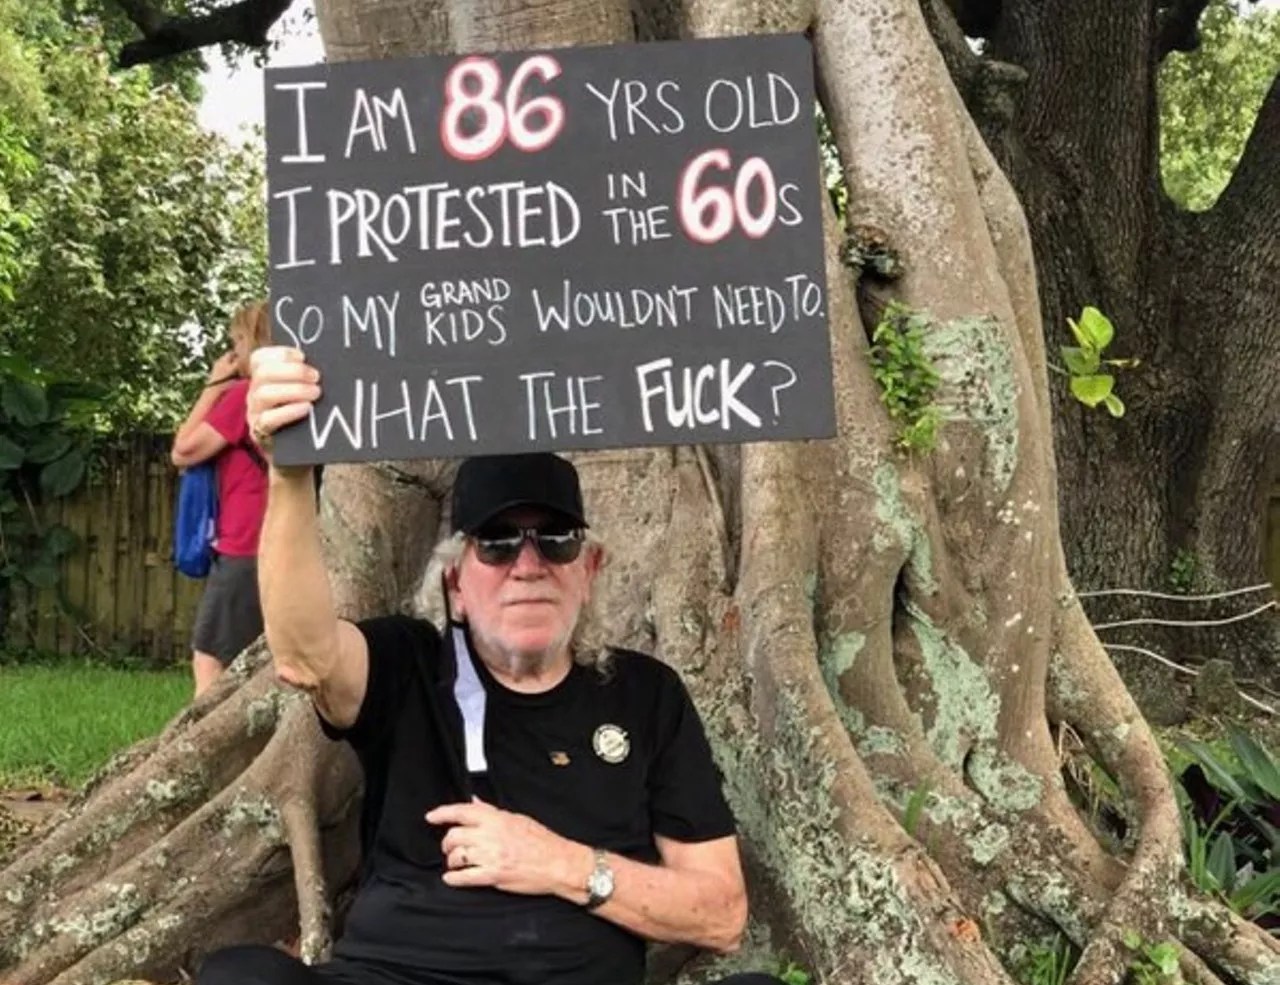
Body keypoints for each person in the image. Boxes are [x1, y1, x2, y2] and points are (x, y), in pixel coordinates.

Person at [195, 344, 783, 985]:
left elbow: (721, 915)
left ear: (589, 569)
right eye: (498, 544)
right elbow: (304, 654)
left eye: (556, 541)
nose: (528, 566)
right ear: (454, 582)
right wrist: (288, 474)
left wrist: (558, 863)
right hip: (395, 978)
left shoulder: (645, 694)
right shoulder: (407, 664)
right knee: (241, 976)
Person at [171, 301, 271, 697]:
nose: (234, 351)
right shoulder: (286, 395)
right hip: (277, 543)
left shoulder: (247, 394)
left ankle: (209, 734)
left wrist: (214, 385)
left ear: (255, 342)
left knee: (210, 658)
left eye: (238, 341)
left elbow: (184, 450)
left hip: (244, 544)